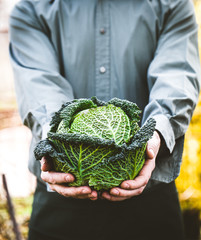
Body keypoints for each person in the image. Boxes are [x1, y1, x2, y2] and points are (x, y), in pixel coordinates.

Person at [9, 0, 200, 239]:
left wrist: (155, 136)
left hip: (149, 190)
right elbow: (39, 86)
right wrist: (57, 145)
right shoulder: (31, 8)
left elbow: (177, 77)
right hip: (61, 197)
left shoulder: (172, 4)